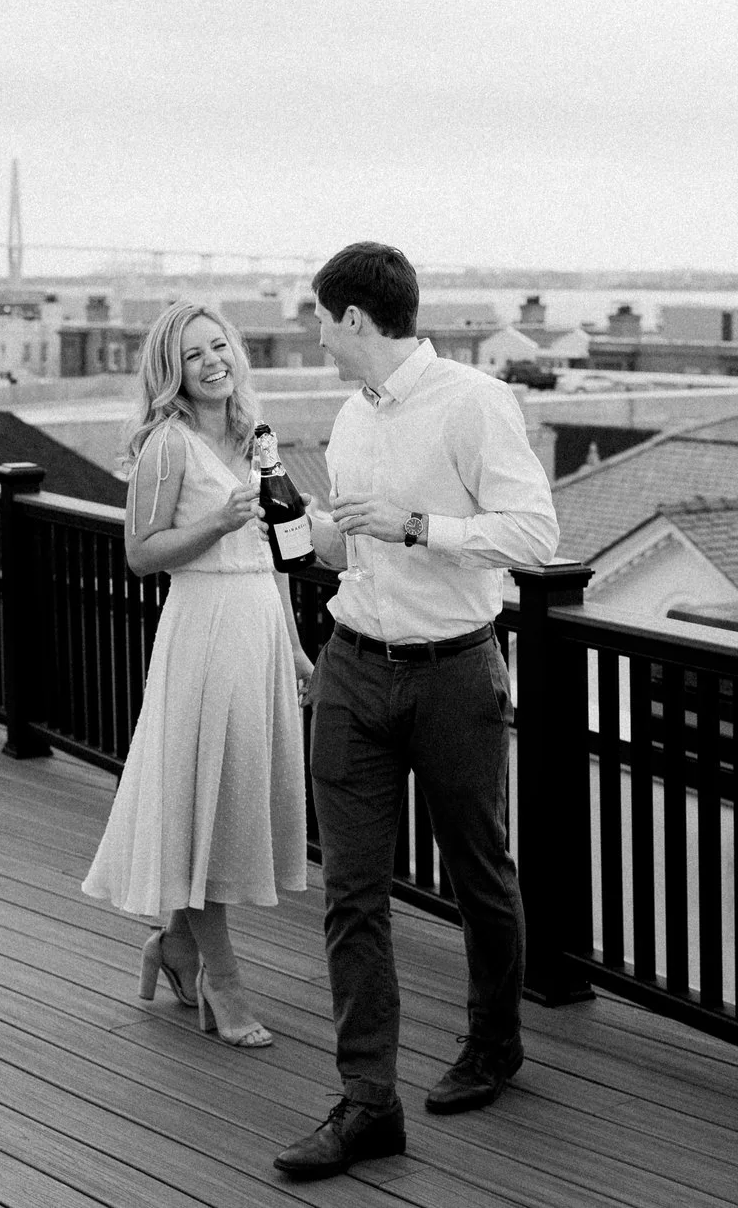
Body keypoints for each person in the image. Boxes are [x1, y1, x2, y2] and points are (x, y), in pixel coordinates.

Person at [273, 243, 559, 1181]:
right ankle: (368, 1104)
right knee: (353, 892)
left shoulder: (475, 401)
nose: (314, 335)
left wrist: (419, 525)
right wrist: (301, 527)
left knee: (481, 872)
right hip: (354, 666)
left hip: (453, 673)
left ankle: (496, 1044)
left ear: (356, 318)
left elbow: (534, 534)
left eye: (320, 318)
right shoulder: (352, 418)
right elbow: (352, 553)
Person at [82, 301, 312, 1049]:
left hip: (257, 629)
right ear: (170, 372)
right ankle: (223, 977)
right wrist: (216, 522)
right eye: (193, 355)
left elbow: (276, 550)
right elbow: (141, 552)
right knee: (205, 806)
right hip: (204, 630)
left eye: (219, 346)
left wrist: (296, 642)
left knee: (227, 794)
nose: (212, 361)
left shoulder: (254, 435)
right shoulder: (167, 448)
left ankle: (174, 945)